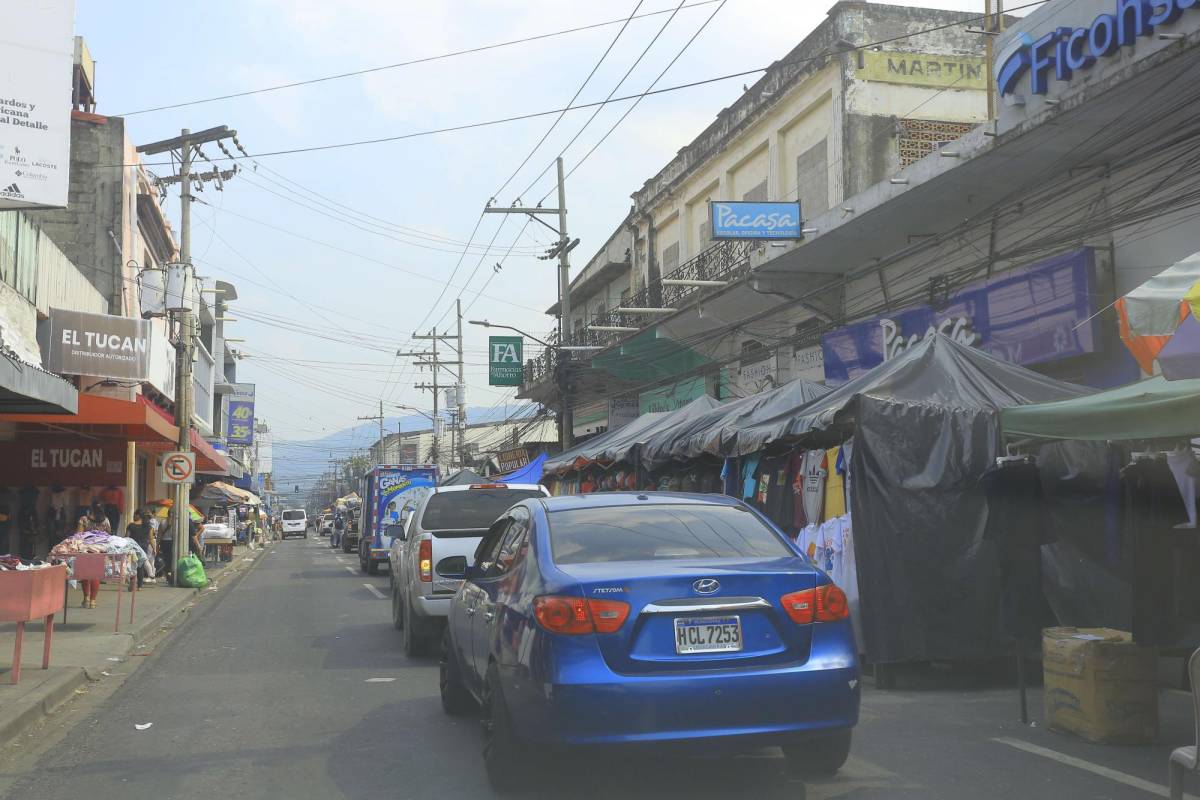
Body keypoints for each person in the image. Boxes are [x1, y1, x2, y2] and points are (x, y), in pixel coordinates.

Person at [76, 503, 111, 609]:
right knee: (96, 575)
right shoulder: (106, 520)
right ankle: (93, 601)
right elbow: (109, 534)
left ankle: (86, 599)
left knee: (85, 574)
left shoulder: (84, 519)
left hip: (86, 549)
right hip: (99, 550)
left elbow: (79, 534)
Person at [125, 510, 151, 588]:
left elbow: (127, 536)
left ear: (138, 515)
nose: (133, 516)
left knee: (132, 565)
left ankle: (132, 582)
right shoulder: (147, 526)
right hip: (143, 547)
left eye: (134, 515)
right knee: (140, 566)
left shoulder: (131, 525)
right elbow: (150, 538)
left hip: (133, 547)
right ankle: (139, 585)